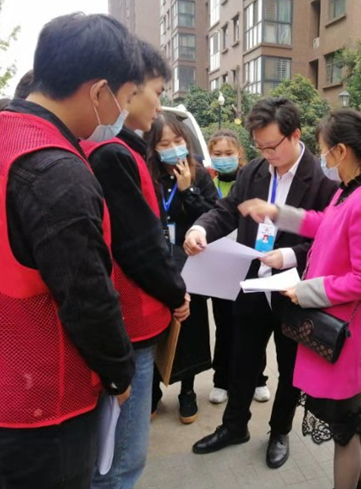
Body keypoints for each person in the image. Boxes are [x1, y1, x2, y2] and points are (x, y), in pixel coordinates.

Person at [0, 13, 144, 489]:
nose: (122, 111)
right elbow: (87, 297)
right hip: (45, 404)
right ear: (99, 92)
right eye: (125, 96)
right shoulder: (57, 171)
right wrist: (119, 374)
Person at [239, 109, 361, 489]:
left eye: (324, 150)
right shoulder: (349, 191)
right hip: (339, 330)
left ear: (341, 151)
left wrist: (305, 291)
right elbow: (321, 222)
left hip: (345, 337)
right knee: (351, 421)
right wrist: (276, 212)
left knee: (345, 428)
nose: (321, 157)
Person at [186, 98, 338, 469]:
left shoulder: (323, 179)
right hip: (253, 283)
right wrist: (200, 229)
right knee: (243, 359)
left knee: (290, 367)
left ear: (296, 135)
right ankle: (234, 426)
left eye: (273, 146)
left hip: (295, 290)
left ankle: (279, 431)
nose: (267, 154)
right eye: (260, 146)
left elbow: (330, 238)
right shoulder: (254, 171)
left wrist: (290, 256)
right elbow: (226, 211)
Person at [80, 41, 191, 488]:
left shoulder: (118, 148)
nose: (159, 105)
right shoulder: (112, 153)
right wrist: (176, 292)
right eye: (156, 92)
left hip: (128, 318)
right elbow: (140, 245)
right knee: (122, 459)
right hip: (132, 321)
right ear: (128, 88)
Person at [145, 113, 218, 422]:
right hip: (157, 264)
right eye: (164, 144)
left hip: (191, 264)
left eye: (178, 141)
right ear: (153, 147)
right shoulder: (146, 174)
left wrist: (188, 190)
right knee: (155, 328)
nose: (173, 148)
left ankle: (187, 391)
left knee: (191, 328)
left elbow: (214, 215)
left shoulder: (199, 173)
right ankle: (152, 391)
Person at [207, 129, 271, 405]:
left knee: (254, 325)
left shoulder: (253, 181)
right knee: (224, 326)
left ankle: (258, 379)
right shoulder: (207, 183)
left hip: (250, 263)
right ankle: (221, 380)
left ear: (240, 154)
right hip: (219, 266)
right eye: (217, 154)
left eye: (228, 153)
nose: (223, 158)